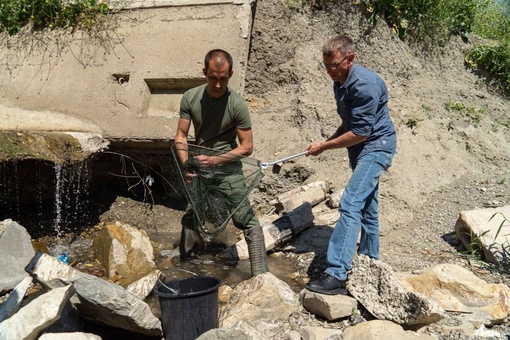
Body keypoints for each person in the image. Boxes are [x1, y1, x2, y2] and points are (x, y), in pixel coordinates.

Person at [305, 35, 397, 295]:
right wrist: (325, 141)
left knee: (351, 201)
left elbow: (361, 132)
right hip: (361, 147)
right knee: (368, 206)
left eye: (334, 65)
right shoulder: (340, 81)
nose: (329, 71)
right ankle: (369, 262)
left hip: (376, 147)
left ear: (350, 59)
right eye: (326, 65)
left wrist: (324, 146)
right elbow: (349, 124)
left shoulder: (364, 85)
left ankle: (336, 274)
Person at [173, 49, 268, 277]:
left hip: (227, 168)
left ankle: (262, 278)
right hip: (199, 166)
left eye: (223, 78)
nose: (217, 84)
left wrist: (216, 160)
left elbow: (246, 147)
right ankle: (188, 273)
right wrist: (187, 164)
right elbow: (181, 136)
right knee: (191, 216)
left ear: (231, 74)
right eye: (212, 78)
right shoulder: (190, 98)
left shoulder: (237, 104)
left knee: (245, 218)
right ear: (204, 72)